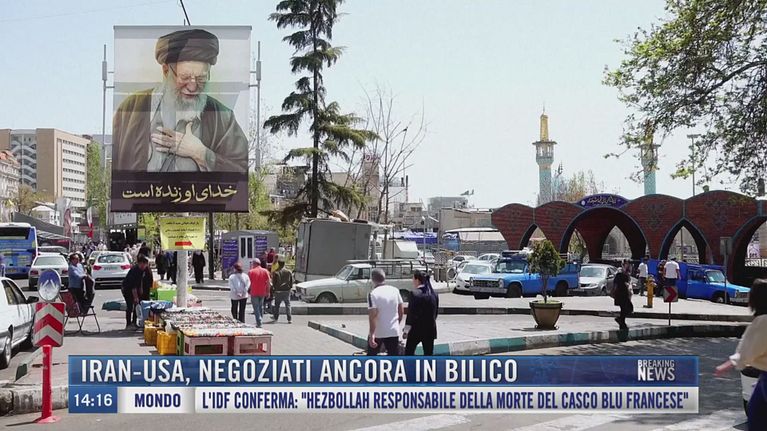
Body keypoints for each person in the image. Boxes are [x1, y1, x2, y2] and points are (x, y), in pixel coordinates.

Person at [112, 29, 248, 173]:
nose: (192, 87)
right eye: (184, 77)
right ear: (166, 71)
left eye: (201, 78)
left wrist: (201, 154)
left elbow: (241, 170)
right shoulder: (130, 110)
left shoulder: (223, 118)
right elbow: (117, 171)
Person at [715, 279, 767, 429]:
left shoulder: (762, 322)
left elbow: (747, 351)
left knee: (756, 416)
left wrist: (727, 365)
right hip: (763, 378)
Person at [367, 268, 404, 356]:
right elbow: (401, 310)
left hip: (378, 332)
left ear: (372, 280)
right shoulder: (395, 290)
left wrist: (372, 334)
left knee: (371, 357)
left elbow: (373, 315)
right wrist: (396, 323)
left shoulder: (372, 294)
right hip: (393, 331)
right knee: (393, 356)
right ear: (384, 278)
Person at [404, 270, 439, 355]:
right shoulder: (434, 294)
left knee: (409, 353)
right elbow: (435, 313)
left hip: (416, 330)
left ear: (417, 280)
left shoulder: (414, 294)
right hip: (430, 329)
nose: (412, 281)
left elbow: (411, 314)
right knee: (428, 354)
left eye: (413, 278)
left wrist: (406, 330)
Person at [122, 254, 152, 329]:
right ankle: (128, 324)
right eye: (142, 264)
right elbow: (133, 286)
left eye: (145, 264)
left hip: (137, 289)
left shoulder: (145, 270)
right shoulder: (134, 271)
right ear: (139, 263)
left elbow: (146, 282)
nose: (144, 266)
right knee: (130, 305)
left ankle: (134, 322)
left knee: (137, 305)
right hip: (128, 289)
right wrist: (135, 297)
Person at [248, 259, 270, 328]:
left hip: (254, 291)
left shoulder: (251, 272)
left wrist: (248, 290)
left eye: (252, 264)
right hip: (262, 291)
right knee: (261, 306)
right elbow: (268, 283)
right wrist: (268, 291)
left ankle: (259, 321)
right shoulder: (265, 271)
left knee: (256, 307)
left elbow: (249, 283)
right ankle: (260, 320)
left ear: (254, 264)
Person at [270, 256, 293, 323]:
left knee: (277, 305)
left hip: (278, 291)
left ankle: (276, 318)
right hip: (286, 290)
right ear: (284, 264)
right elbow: (291, 281)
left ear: (278, 264)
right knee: (288, 305)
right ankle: (289, 319)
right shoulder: (289, 272)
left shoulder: (276, 272)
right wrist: (290, 287)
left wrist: (274, 289)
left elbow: (274, 282)